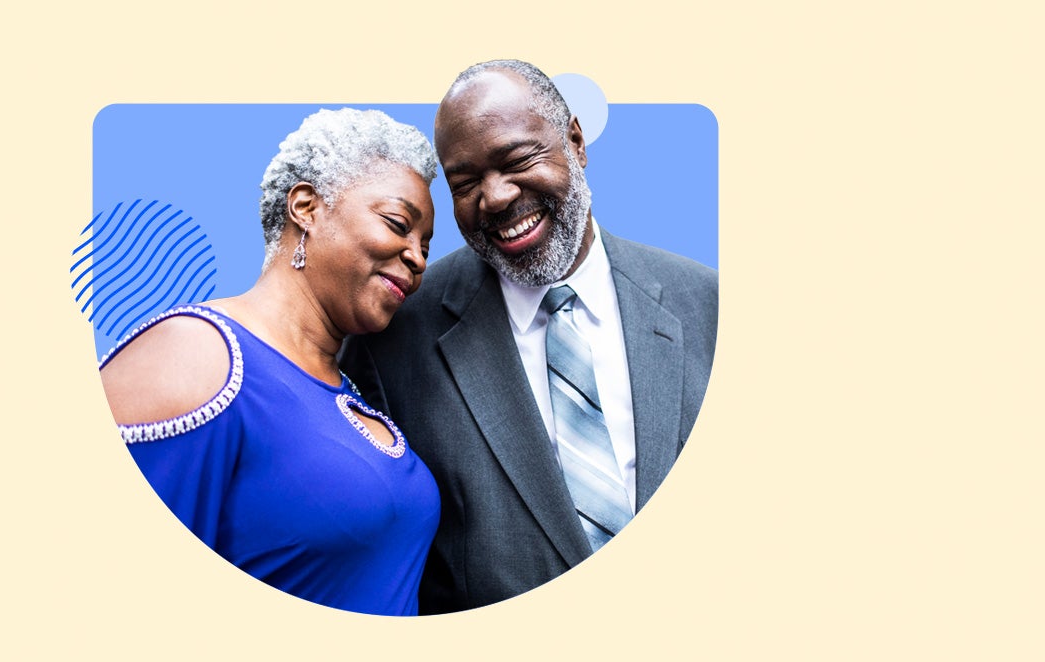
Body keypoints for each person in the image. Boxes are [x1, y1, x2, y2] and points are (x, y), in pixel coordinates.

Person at [341, 60, 719, 613]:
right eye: (465, 183)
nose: (493, 198)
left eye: (517, 159)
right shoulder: (396, 335)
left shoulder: (707, 304)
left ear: (575, 141)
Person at [100, 108, 440, 616]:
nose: (418, 258)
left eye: (426, 244)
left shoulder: (349, 387)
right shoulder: (197, 352)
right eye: (398, 224)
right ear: (306, 207)